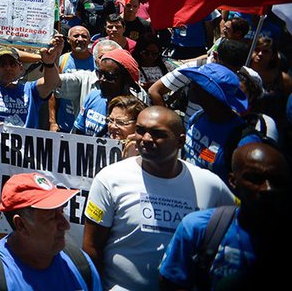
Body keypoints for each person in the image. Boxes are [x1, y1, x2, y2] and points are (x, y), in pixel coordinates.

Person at [83, 106, 236, 290]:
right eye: (140, 130)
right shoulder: (109, 179)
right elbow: (92, 246)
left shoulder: (211, 185)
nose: (146, 139)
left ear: (180, 141)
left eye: (157, 134)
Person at [160, 142, 291, 289]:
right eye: (255, 179)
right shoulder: (199, 227)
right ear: (233, 182)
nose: (268, 188)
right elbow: (171, 283)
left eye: (278, 180)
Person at [0, 172, 101, 291]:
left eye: (61, 212)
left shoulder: (80, 263)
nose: (65, 225)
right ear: (21, 225)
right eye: (51, 217)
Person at [0, 5, 64, 128]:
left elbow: (51, 83)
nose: (8, 68)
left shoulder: (31, 90)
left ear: (21, 67)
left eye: (12, 64)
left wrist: (49, 63)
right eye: (2, 64)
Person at [68, 46, 149, 136]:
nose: (102, 80)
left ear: (127, 80)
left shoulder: (137, 111)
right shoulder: (93, 96)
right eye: (100, 74)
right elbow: (78, 133)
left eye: (109, 76)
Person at [105, 94, 145, 159]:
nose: (112, 126)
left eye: (121, 122)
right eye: (110, 120)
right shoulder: (100, 146)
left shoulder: (146, 155)